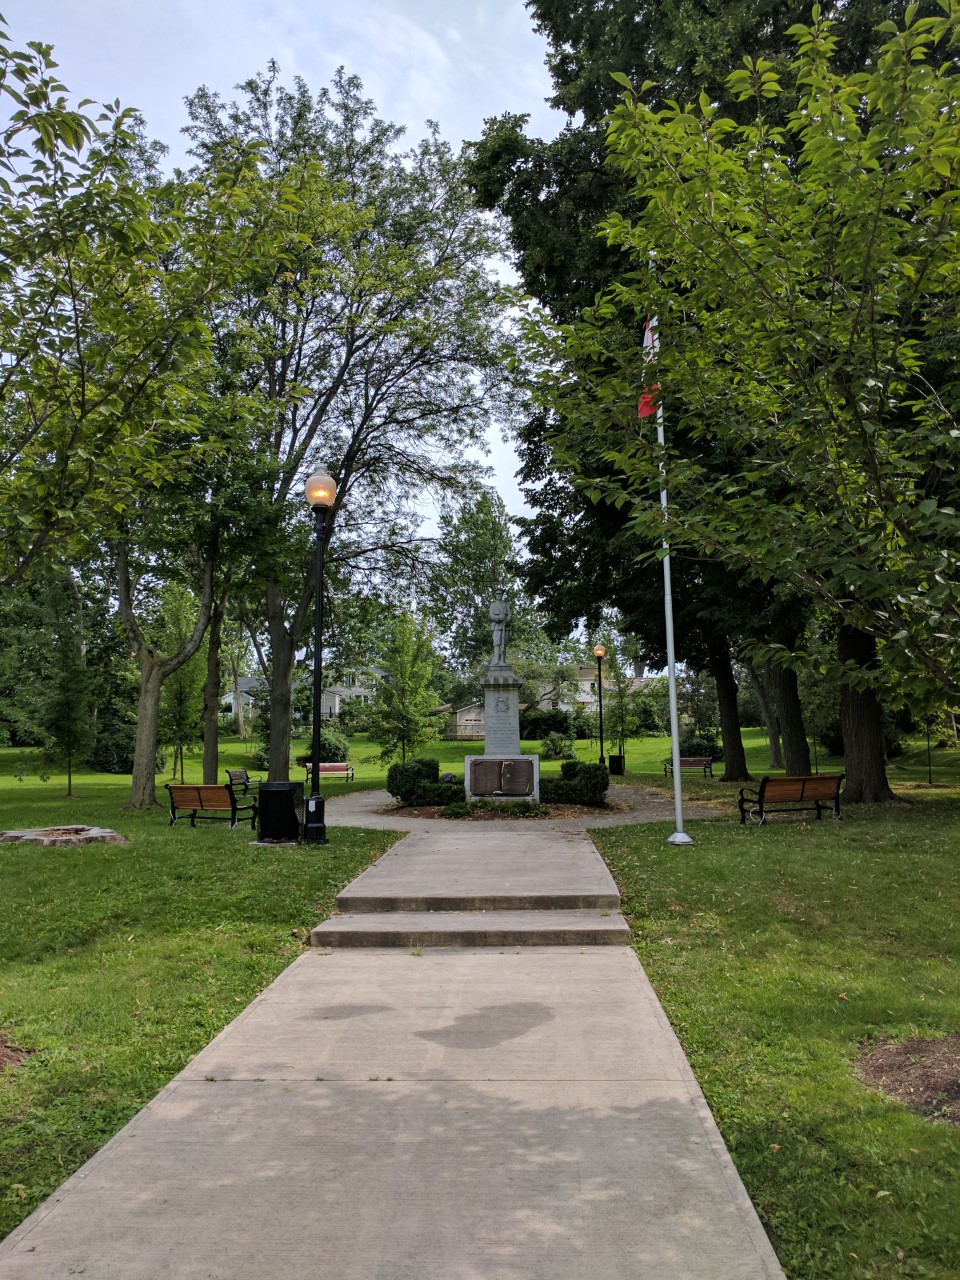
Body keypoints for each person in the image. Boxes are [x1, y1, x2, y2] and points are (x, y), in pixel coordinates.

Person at [489, 588, 511, 666]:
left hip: (505, 626)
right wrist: (499, 618)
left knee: (504, 644)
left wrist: (506, 621)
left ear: (502, 595)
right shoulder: (493, 605)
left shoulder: (506, 605)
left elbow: (509, 616)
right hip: (496, 626)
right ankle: (496, 661)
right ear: (496, 595)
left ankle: (503, 661)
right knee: (496, 643)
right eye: (497, 594)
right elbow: (491, 616)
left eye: (500, 594)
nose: (498, 595)